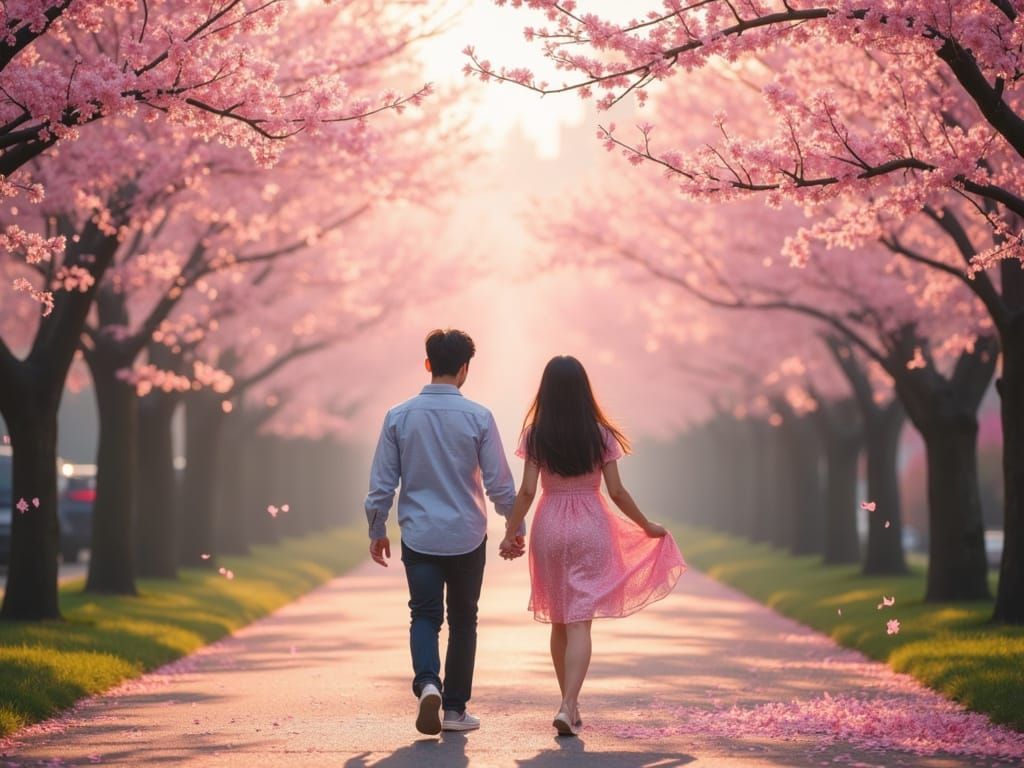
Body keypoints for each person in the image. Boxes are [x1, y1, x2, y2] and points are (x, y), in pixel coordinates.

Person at [499, 355, 686, 736]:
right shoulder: (601, 435)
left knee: (558, 618)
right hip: (591, 527)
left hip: (550, 527)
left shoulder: (535, 434)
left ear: (545, 390)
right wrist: (645, 524)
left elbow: (528, 490)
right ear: (585, 390)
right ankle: (569, 704)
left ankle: (570, 702)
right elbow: (616, 491)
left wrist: (511, 530)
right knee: (580, 619)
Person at [365, 328, 523, 736]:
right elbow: (500, 484)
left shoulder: (398, 415)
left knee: (424, 614)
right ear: (465, 368)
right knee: (463, 620)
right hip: (467, 535)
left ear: (427, 364)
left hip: (419, 535)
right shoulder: (479, 417)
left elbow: (383, 482)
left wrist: (377, 527)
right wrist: (515, 524)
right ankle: (454, 710)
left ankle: (428, 683)